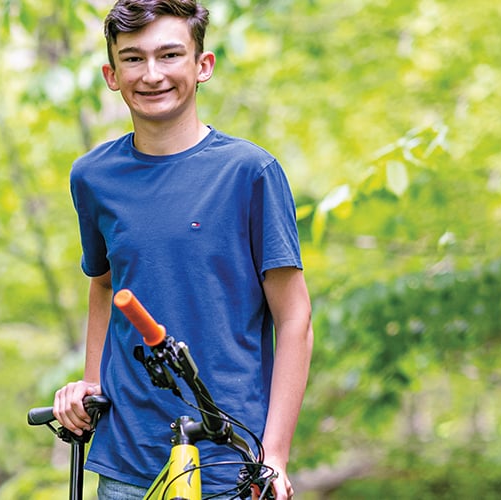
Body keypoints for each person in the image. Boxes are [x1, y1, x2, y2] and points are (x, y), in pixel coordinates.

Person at [51, 1, 314, 499]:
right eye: (133, 59)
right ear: (111, 74)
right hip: (127, 461)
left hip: (229, 459)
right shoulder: (93, 176)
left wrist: (275, 454)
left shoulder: (250, 173)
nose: (151, 74)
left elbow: (294, 317)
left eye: (169, 55)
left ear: (202, 65)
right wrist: (91, 383)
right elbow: (105, 283)